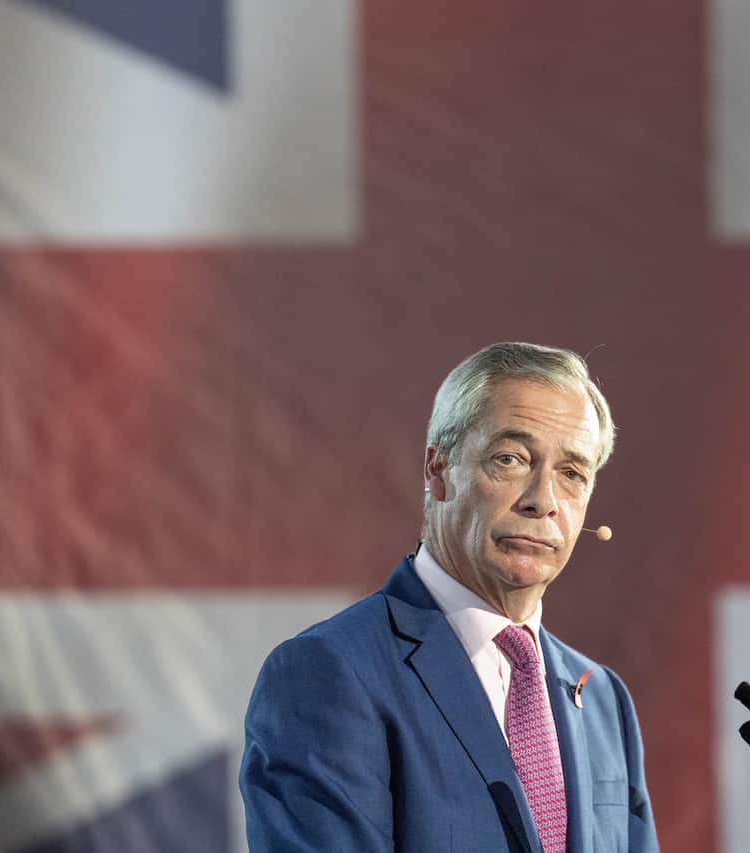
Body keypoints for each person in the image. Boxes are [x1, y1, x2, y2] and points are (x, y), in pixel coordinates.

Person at [240, 342, 658, 852]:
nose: (543, 501)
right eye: (511, 460)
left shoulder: (601, 698)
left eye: (572, 474)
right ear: (438, 470)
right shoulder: (328, 673)